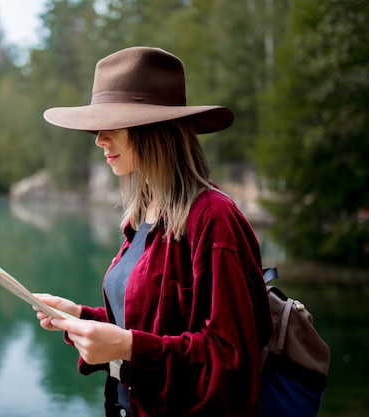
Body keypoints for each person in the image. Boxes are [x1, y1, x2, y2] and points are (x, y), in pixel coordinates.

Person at [34, 46, 274, 417]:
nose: (99, 139)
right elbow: (152, 324)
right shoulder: (142, 216)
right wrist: (82, 317)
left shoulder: (213, 218)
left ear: (151, 129)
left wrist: (129, 346)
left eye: (111, 123)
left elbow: (231, 363)